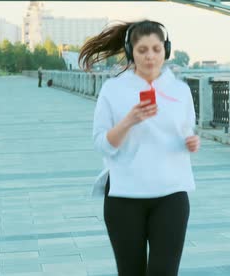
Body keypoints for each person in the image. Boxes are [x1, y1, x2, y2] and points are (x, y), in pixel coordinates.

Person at [79, 20, 200, 276]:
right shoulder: (113, 90)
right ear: (130, 51)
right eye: (142, 49)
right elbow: (102, 144)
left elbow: (186, 130)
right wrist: (129, 121)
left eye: (156, 49)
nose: (150, 56)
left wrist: (191, 141)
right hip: (125, 197)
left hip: (171, 195)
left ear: (166, 50)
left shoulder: (180, 91)